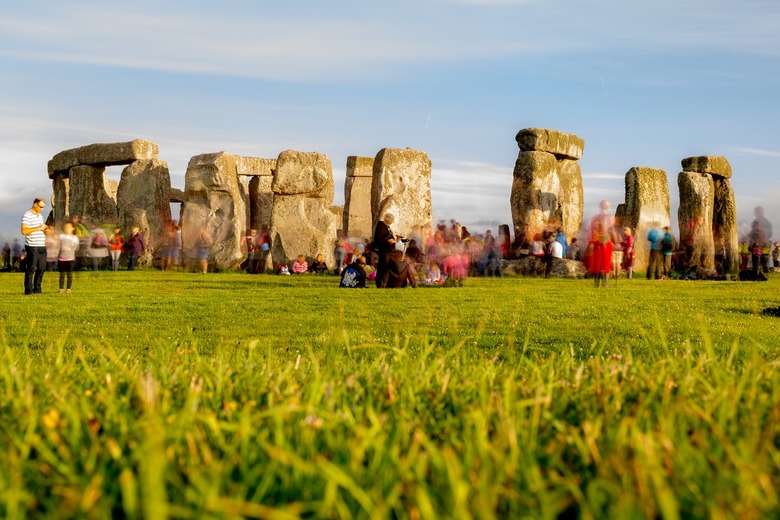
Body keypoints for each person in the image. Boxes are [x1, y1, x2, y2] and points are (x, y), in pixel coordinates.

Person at [20, 197, 47, 295]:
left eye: (43, 207)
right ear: (35, 204)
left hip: (42, 245)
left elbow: (41, 230)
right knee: (31, 268)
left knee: (42, 268)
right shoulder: (27, 216)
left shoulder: (40, 216)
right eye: (40, 207)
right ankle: (28, 290)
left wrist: (45, 230)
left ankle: (37, 289)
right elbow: (24, 231)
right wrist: (39, 227)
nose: (42, 209)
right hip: (32, 245)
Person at [589, 200, 614, 287]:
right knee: (605, 264)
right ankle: (605, 284)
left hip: (598, 243)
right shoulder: (610, 218)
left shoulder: (594, 218)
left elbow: (592, 233)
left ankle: (597, 284)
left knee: (598, 264)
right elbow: (611, 232)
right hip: (605, 243)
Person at [373, 213, 398, 287]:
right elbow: (380, 238)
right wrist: (388, 240)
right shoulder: (381, 226)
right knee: (383, 268)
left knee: (385, 268)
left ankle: (384, 283)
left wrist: (393, 240)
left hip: (388, 251)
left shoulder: (386, 227)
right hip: (384, 251)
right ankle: (381, 284)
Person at [57, 222, 80, 293]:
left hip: (70, 258)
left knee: (69, 274)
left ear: (73, 228)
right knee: (62, 274)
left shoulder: (74, 238)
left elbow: (76, 248)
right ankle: (61, 288)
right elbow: (58, 246)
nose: (66, 228)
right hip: (61, 258)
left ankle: (68, 288)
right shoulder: (61, 236)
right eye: (65, 227)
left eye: (68, 227)